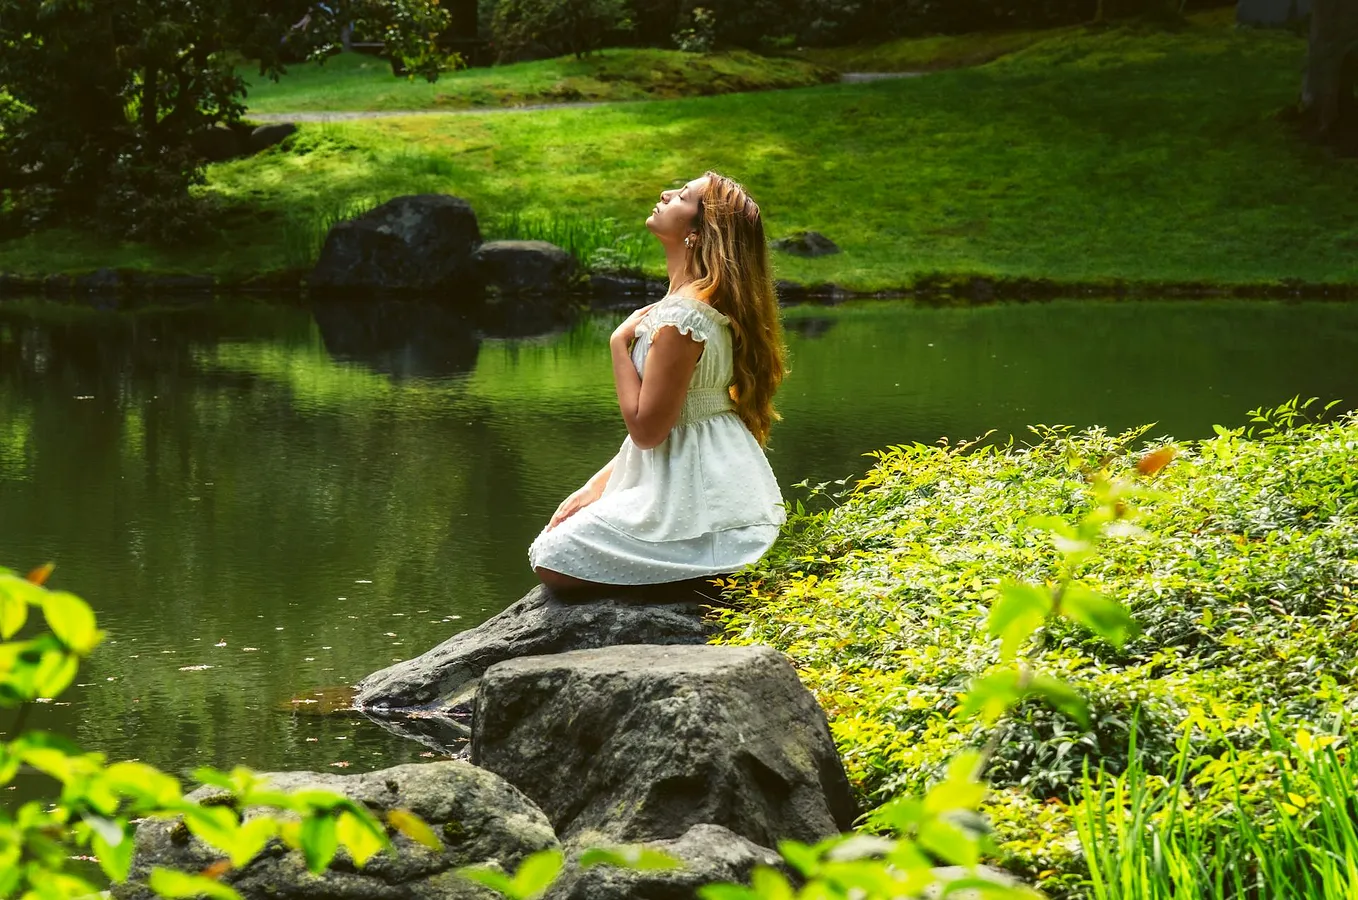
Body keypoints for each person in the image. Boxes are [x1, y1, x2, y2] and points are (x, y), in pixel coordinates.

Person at [528, 171, 789, 592]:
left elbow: (648, 430)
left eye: (682, 196)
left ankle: (698, 573)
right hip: (690, 481)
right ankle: (696, 569)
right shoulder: (688, 306)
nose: (665, 194)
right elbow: (673, 421)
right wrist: (593, 489)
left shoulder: (683, 318)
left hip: (703, 496)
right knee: (558, 541)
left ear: (698, 233)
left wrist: (617, 346)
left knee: (554, 558)